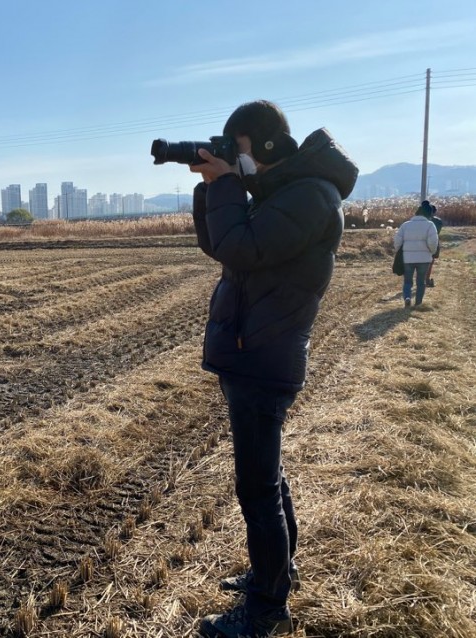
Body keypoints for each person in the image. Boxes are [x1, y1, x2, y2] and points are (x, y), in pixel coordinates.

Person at [189, 100, 358, 638]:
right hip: (255, 351)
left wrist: (226, 185)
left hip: (264, 356)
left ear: (262, 145)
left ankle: (267, 611)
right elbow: (222, 246)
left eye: (234, 148)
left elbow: (241, 246)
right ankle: (277, 572)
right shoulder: (286, 192)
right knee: (268, 479)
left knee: (257, 489)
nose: (232, 158)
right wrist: (211, 186)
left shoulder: (308, 196)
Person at [394, 201, 439, 307]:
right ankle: (418, 303)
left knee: (407, 281)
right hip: (424, 259)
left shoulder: (405, 225)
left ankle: (407, 297)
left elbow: (397, 241)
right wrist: (431, 252)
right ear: (429, 214)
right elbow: (433, 242)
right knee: (421, 281)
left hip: (408, 258)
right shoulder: (430, 225)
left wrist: (400, 251)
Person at [425, 204, 443, 287]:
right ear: (434, 212)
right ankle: (427, 279)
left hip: (422, 243)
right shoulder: (438, 221)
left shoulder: (422, 221)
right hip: (434, 242)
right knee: (430, 262)